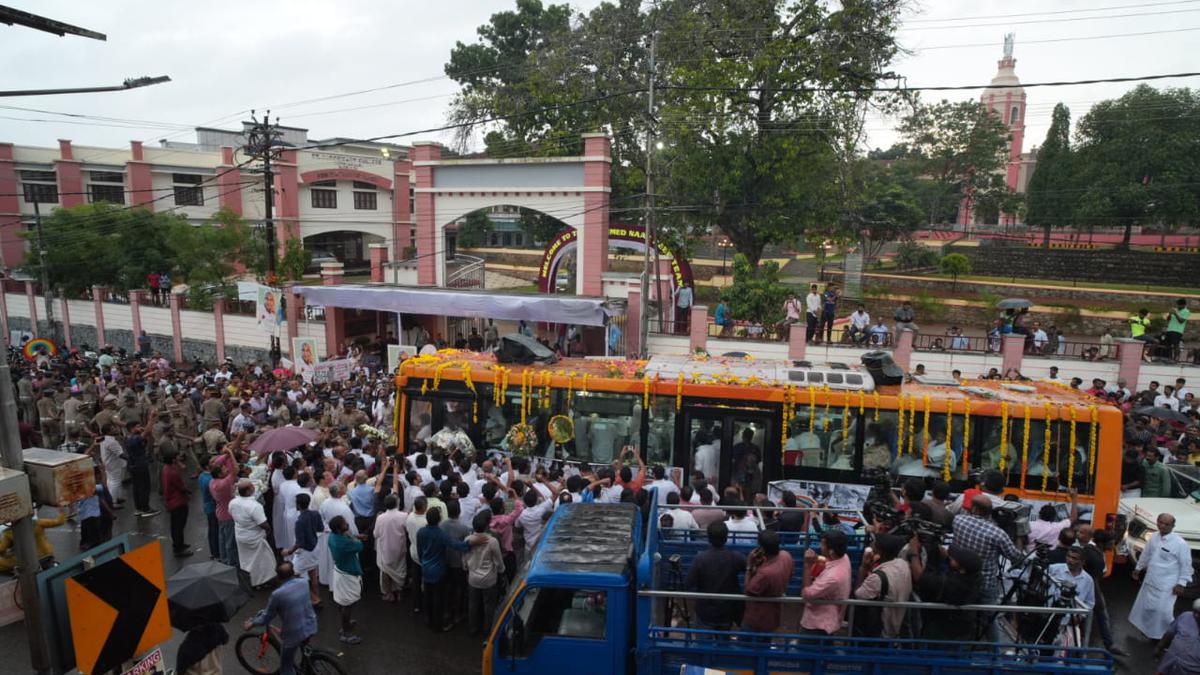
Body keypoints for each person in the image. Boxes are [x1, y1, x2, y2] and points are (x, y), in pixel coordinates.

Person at [952, 495, 1023, 641]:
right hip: (986, 583)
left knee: (960, 616)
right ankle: (995, 654)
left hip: (960, 578)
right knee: (990, 621)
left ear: (974, 508)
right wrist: (1018, 535)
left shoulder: (958, 520)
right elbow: (1016, 557)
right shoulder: (997, 533)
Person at [244, 563, 318, 675]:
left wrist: (251, 623)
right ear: (293, 572)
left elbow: (266, 617)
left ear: (278, 577)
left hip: (294, 633)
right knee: (305, 650)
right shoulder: (303, 582)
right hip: (311, 624)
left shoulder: (278, 594)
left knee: (286, 667)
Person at [1132, 513, 1194, 640]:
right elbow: (1146, 554)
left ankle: (1168, 637)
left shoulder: (1180, 544)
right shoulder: (1154, 537)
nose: (1162, 526)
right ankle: (1149, 632)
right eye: (1160, 522)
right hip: (1151, 580)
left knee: (1163, 612)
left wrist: (1181, 583)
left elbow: (1186, 565)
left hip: (1168, 584)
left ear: (1173, 526)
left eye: (1166, 524)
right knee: (1148, 607)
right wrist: (1138, 568)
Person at [418, 508, 477, 632]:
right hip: (438, 569)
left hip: (425, 567)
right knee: (438, 598)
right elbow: (457, 545)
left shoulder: (421, 532)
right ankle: (438, 625)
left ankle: (428, 619)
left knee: (428, 595)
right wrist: (472, 542)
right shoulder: (440, 534)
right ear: (438, 520)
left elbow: (420, 550)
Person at [910, 544, 982, 641]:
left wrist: (914, 552)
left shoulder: (951, 584)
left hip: (941, 630)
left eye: (954, 559)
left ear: (962, 569)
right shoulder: (975, 577)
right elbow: (958, 568)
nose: (951, 558)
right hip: (962, 629)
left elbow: (918, 576)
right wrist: (946, 557)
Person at [685, 522, 746, 631]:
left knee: (703, 645)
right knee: (723, 644)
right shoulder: (736, 557)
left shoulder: (700, 559)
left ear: (708, 538)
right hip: (727, 611)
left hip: (705, 611)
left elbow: (689, 583)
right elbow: (752, 570)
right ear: (726, 537)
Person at [853, 533, 911, 638]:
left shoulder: (877, 578)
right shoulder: (903, 564)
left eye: (874, 544)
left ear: (879, 552)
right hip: (899, 624)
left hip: (882, 631)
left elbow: (858, 594)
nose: (871, 545)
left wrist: (863, 568)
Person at [741, 530, 794, 634]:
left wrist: (749, 566)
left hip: (757, 618)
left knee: (747, 645)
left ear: (762, 549)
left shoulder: (765, 574)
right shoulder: (786, 556)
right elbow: (791, 574)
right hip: (774, 614)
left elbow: (748, 590)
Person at [800, 529, 852, 635]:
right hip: (831, 617)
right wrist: (816, 559)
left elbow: (807, 594)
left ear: (831, 551)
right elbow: (828, 560)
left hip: (818, 624)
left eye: (823, 545)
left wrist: (807, 566)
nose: (820, 547)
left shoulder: (833, 577)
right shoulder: (844, 557)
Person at [465, 511, 505, 637]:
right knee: (489, 606)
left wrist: (466, 569)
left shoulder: (468, 539)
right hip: (489, 579)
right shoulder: (492, 541)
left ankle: (472, 628)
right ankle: (488, 631)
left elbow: (464, 558)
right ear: (487, 526)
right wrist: (501, 572)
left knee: (473, 604)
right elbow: (498, 561)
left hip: (473, 578)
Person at [230, 480, 276, 588]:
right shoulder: (254, 506)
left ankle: (250, 580)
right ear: (248, 491)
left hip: (241, 535)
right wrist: (268, 530)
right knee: (263, 560)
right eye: (252, 487)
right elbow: (263, 524)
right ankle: (259, 582)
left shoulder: (233, 502)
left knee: (246, 560)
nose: (254, 488)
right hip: (254, 537)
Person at [327, 515, 365, 644]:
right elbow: (359, 546)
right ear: (339, 529)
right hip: (348, 574)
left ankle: (346, 624)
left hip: (340, 571)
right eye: (344, 524)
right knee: (348, 604)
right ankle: (346, 632)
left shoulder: (332, 537)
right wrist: (353, 537)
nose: (347, 524)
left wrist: (350, 536)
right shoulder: (345, 543)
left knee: (342, 601)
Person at [283, 492, 323, 608]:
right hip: (315, 548)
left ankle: (314, 599)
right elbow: (320, 528)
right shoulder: (315, 514)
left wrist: (288, 551)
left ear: (298, 505)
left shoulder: (300, 522)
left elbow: (299, 543)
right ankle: (316, 596)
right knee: (312, 573)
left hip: (305, 552)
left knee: (292, 574)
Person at [374, 493, 408, 603]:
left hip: (386, 549)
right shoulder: (403, 516)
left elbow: (376, 534)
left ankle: (388, 593)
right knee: (400, 569)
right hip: (400, 548)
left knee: (386, 571)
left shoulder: (381, 518)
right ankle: (398, 591)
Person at [1156, 598, 1200, 675]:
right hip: (1169, 664)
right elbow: (1169, 634)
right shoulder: (1186, 616)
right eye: (1195, 611)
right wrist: (1160, 647)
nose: (1196, 615)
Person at [162, 450, 193, 558]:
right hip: (178, 501)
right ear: (173, 459)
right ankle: (178, 548)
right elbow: (180, 486)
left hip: (172, 501)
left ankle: (179, 544)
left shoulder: (166, 469)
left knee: (175, 525)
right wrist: (188, 492)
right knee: (179, 526)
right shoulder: (172, 472)